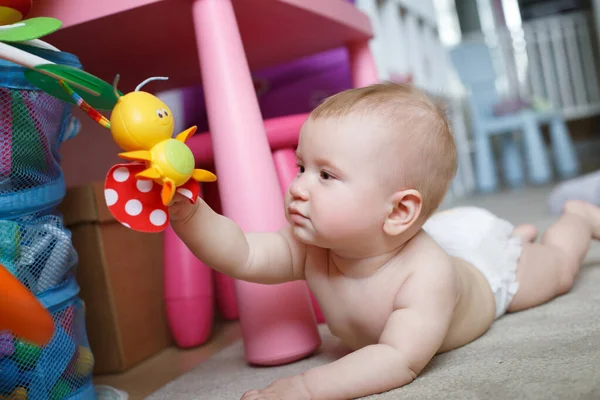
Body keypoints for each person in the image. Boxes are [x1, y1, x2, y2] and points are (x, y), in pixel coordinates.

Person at [168, 83, 600, 400]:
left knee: (557, 270)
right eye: (301, 167)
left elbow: (398, 358)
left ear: (397, 212)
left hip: (484, 269)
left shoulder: (425, 275)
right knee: (527, 249)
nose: (298, 187)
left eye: (325, 175)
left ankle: (577, 219)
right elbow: (243, 253)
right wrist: (189, 213)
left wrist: (305, 387)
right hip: (445, 232)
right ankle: (523, 234)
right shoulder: (312, 245)